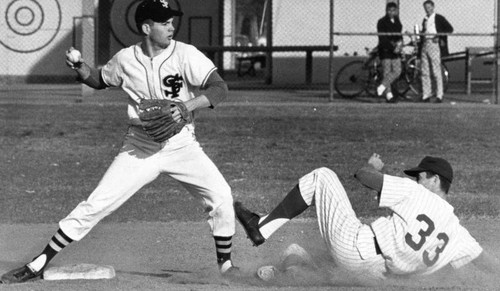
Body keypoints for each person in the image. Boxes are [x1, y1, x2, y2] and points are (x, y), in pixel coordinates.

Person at [1, 0, 239, 284]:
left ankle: (225, 265)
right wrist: (79, 66)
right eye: (164, 22)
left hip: (182, 145)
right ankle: (40, 261)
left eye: (172, 21)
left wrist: (189, 105)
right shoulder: (126, 59)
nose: (171, 27)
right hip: (140, 148)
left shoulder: (186, 54)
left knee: (222, 196)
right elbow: (100, 80)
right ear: (146, 27)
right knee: (97, 203)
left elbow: (219, 88)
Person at [234, 154, 499, 280]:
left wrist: (373, 165)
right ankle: (293, 272)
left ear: (435, 179)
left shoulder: (416, 193)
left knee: (322, 176)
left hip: (355, 248)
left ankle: (261, 227)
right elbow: (486, 262)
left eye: (420, 176)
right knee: (296, 250)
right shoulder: (459, 234)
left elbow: (364, 176)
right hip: (375, 275)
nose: (415, 179)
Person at [419, 0, 453, 103]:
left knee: (436, 70)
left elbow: (449, 29)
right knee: (425, 71)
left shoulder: (438, 18)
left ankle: (439, 94)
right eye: (426, 8)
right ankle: (426, 94)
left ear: (433, 7)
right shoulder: (425, 19)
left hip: (434, 44)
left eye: (429, 7)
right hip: (425, 43)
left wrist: (438, 36)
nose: (427, 9)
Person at [376, 2, 403, 103]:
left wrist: (399, 45)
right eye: (389, 10)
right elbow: (382, 38)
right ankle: (388, 95)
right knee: (386, 71)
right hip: (386, 50)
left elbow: (399, 36)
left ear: (396, 11)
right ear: (386, 11)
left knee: (397, 71)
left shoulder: (397, 21)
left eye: (393, 10)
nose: (391, 12)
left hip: (396, 51)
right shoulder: (382, 22)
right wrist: (392, 47)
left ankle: (382, 86)